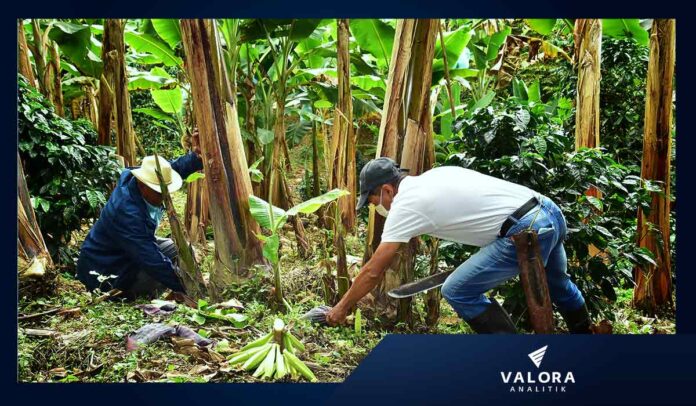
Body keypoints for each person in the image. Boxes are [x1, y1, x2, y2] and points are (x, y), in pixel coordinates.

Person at [325, 157, 592, 334]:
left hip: (526, 230)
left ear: (386, 190)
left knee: (457, 290)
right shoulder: (435, 175)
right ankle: (585, 340)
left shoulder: (405, 206)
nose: (376, 207)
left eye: (373, 201)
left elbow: (373, 270)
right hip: (549, 212)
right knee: (558, 285)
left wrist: (341, 307)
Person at [77, 136, 203, 300]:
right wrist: (192, 287)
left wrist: (196, 157)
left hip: (122, 253)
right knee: (155, 274)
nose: (164, 196)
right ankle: (132, 294)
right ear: (143, 185)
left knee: (183, 250)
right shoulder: (127, 213)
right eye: (159, 192)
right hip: (105, 271)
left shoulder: (137, 179)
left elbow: (170, 170)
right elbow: (152, 260)